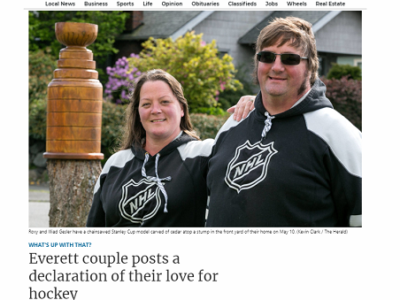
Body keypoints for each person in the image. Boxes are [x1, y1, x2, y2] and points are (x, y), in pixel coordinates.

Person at [206, 17, 362, 227]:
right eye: (267, 56)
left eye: (290, 59)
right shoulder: (233, 124)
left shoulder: (337, 134)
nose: (276, 67)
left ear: (310, 66)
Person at [86, 69, 252, 227]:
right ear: (138, 112)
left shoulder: (203, 155)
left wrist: (256, 101)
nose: (155, 110)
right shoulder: (115, 164)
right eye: (146, 104)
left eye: (165, 102)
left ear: (181, 108)